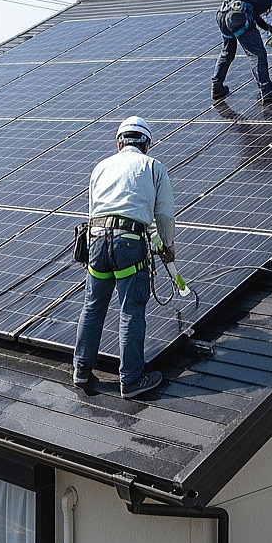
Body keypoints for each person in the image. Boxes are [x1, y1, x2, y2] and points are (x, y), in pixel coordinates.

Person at [73, 116, 176, 399]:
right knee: (131, 309)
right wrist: (168, 246)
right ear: (146, 145)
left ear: (119, 143)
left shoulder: (100, 167)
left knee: (92, 306)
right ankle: (130, 380)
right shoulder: (153, 167)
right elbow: (164, 214)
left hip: (95, 241)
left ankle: (81, 370)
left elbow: (94, 210)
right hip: (129, 243)